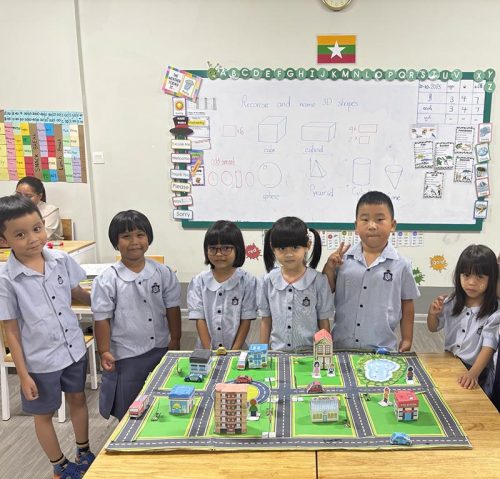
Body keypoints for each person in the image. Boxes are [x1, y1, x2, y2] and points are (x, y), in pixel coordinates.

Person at [0, 194, 94, 479]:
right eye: (20, 234)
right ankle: (59, 465)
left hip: (73, 349)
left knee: (78, 398)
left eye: (37, 228)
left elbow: (77, 293)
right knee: (44, 414)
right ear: (3, 240)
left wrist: (105, 302)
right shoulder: (6, 279)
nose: (32, 238)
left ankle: (84, 451)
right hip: (40, 361)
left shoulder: (61, 260)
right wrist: (23, 374)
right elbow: (10, 330)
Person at [91, 210, 181, 421]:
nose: (134, 242)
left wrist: (175, 339)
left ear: (148, 238)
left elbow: (173, 308)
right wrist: (104, 350)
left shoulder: (163, 272)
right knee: (128, 406)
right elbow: (101, 318)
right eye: (126, 236)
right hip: (126, 354)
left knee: (161, 400)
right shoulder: (107, 279)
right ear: (115, 242)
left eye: (140, 235)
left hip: (160, 348)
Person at [323, 191, 419, 352]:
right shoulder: (342, 260)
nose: (372, 226)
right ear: (356, 226)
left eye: (380, 219)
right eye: (365, 219)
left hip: (381, 346)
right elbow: (326, 290)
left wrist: (407, 338)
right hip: (341, 344)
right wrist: (329, 267)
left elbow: (407, 304)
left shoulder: (402, 265)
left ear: (393, 225)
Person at [427, 244, 500, 397]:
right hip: (449, 362)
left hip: (477, 371)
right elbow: (433, 328)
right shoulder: (451, 301)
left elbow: (489, 346)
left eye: (480, 277)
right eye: (466, 275)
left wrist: (473, 373)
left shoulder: (494, 310)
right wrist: (432, 314)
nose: (471, 282)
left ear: (491, 278)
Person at [259, 216, 332, 351]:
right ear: (273, 248)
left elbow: (323, 321)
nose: (288, 254)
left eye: (295, 247)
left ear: (308, 245)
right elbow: (266, 320)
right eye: (282, 248)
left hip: (310, 353)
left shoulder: (318, 280)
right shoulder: (267, 281)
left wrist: (324, 352)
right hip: (278, 352)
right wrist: (262, 351)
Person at [187, 220, 257, 350]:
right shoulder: (198, 281)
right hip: (206, 351)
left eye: (226, 248)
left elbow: (245, 320)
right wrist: (209, 351)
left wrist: (233, 352)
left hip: (237, 350)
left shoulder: (247, 281)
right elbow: (200, 319)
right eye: (213, 248)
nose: (219, 254)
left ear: (237, 249)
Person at [15, 176, 63, 240]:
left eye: (28, 196)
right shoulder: (12, 208)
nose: (22, 199)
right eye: (18, 194)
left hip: (48, 244)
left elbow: (43, 236)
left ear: (40, 196)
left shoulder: (51, 210)